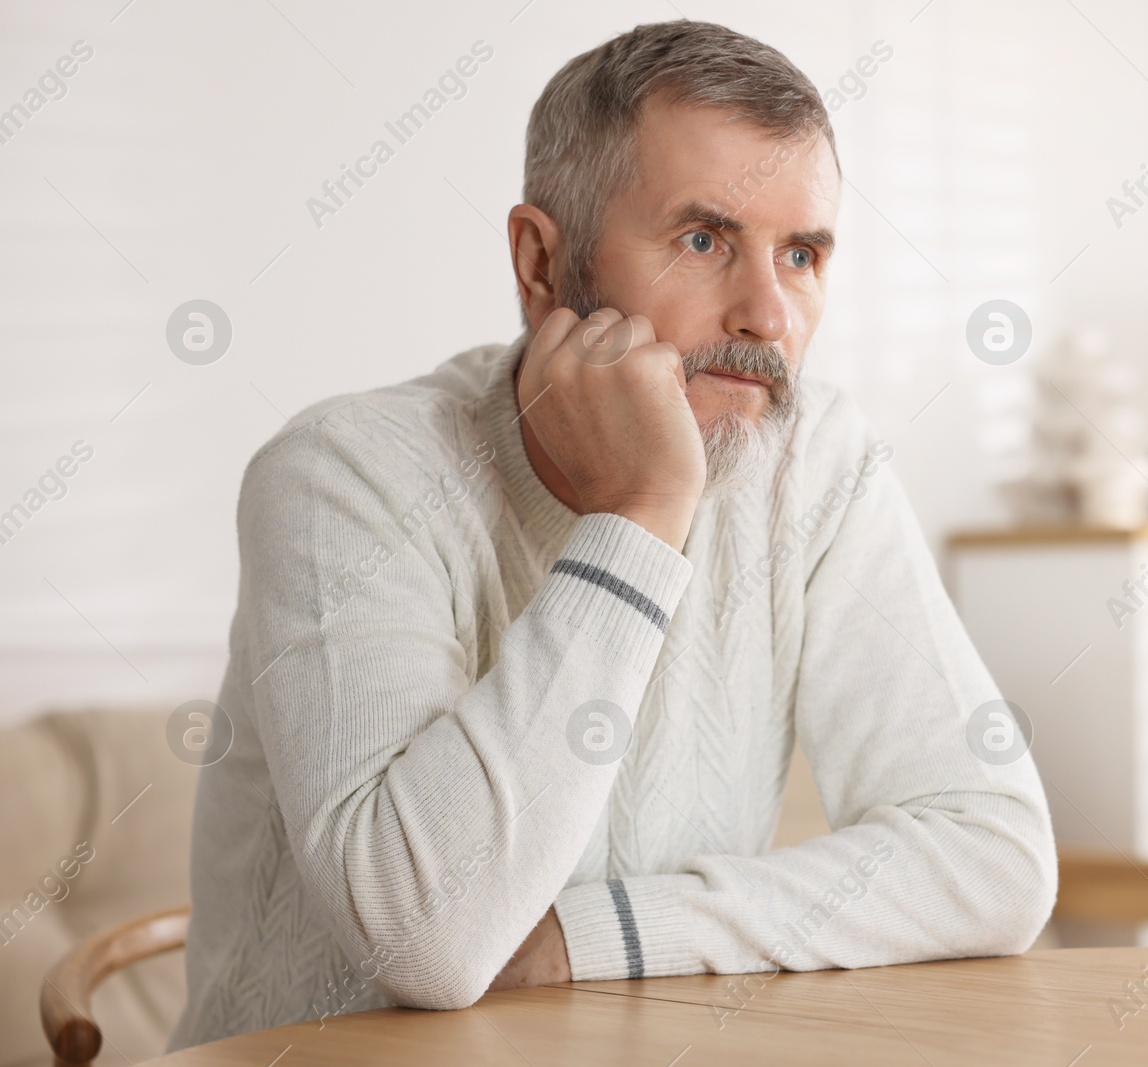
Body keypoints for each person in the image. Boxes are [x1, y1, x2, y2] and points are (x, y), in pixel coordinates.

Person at [170, 19, 1054, 1049]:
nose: (768, 313)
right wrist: (639, 517)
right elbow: (426, 935)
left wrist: (589, 933)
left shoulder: (814, 461)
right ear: (542, 263)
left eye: (802, 254)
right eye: (703, 239)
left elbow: (993, 852)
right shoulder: (342, 475)